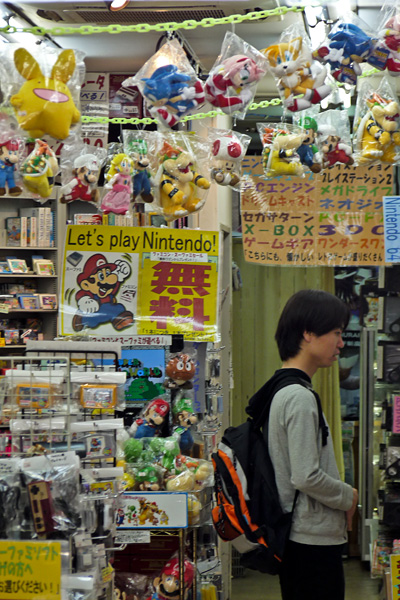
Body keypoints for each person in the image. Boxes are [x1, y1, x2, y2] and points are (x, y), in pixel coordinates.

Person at [249, 289, 358, 600]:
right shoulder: (298, 396)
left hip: (298, 536)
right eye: (336, 333)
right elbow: (305, 475)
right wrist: (348, 496)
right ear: (308, 333)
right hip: (309, 539)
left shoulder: (282, 388)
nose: (341, 343)